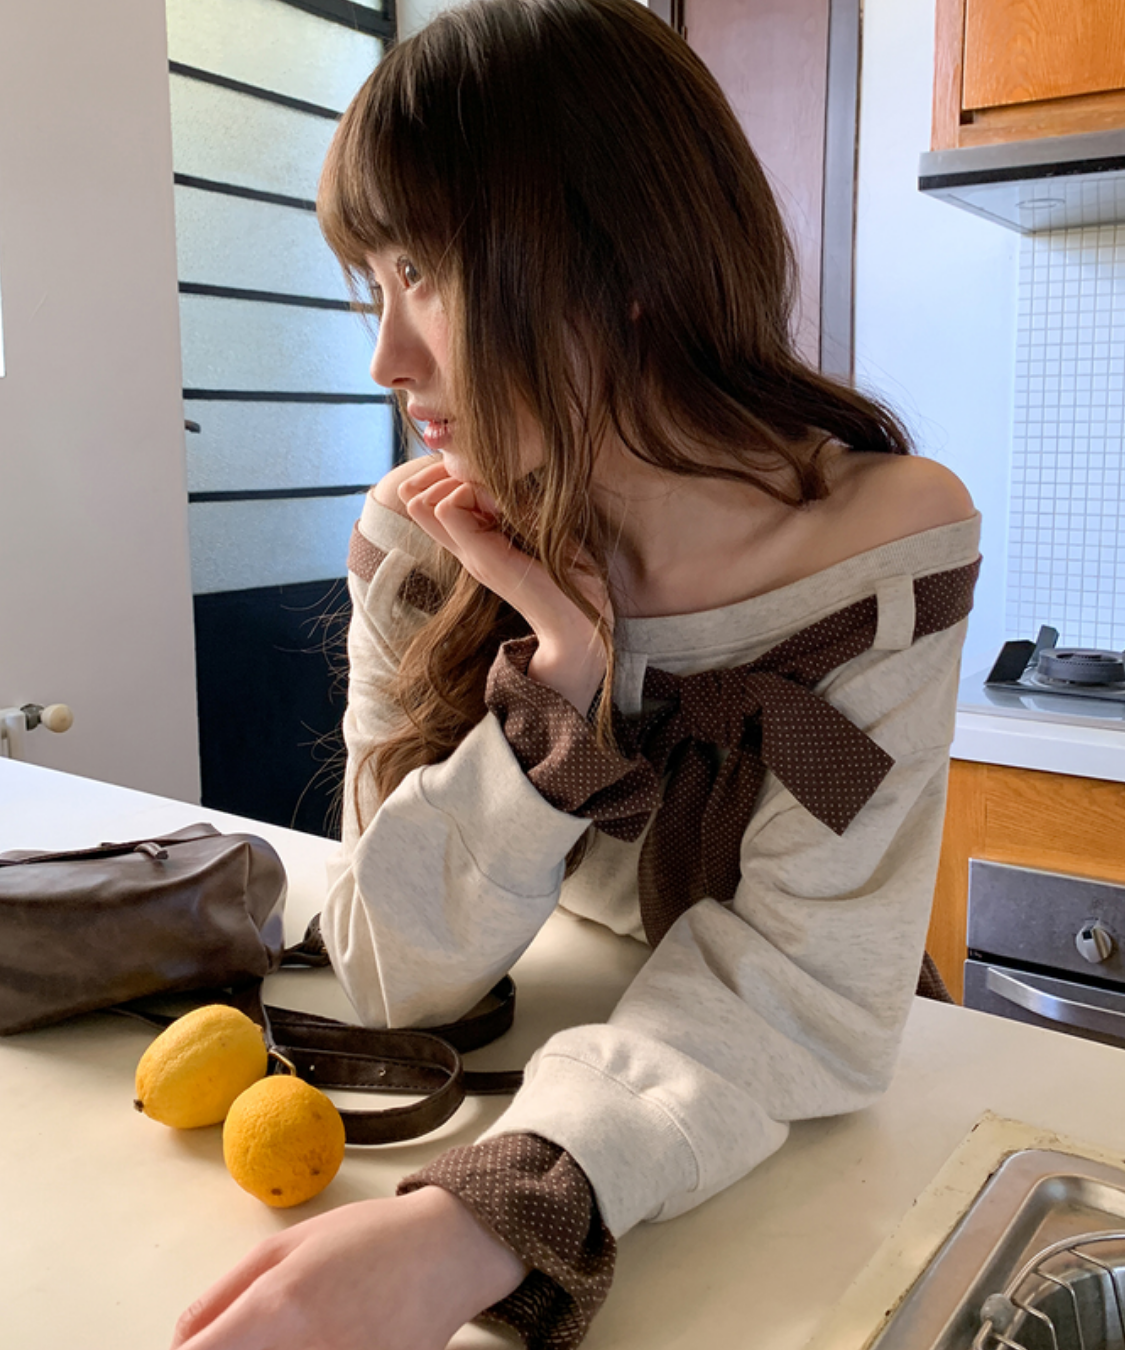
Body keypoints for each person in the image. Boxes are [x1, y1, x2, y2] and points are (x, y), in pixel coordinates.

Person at [171, 0, 980, 1346]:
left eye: (422, 270)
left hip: (814, 1142)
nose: (386, 358)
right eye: (373, 281)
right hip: (602, 1078)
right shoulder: (415, 539)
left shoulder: (878, 553)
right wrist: (551, 695)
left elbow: (804, 989)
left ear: (620, 260)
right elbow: (386, 971)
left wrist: (486, 1213)